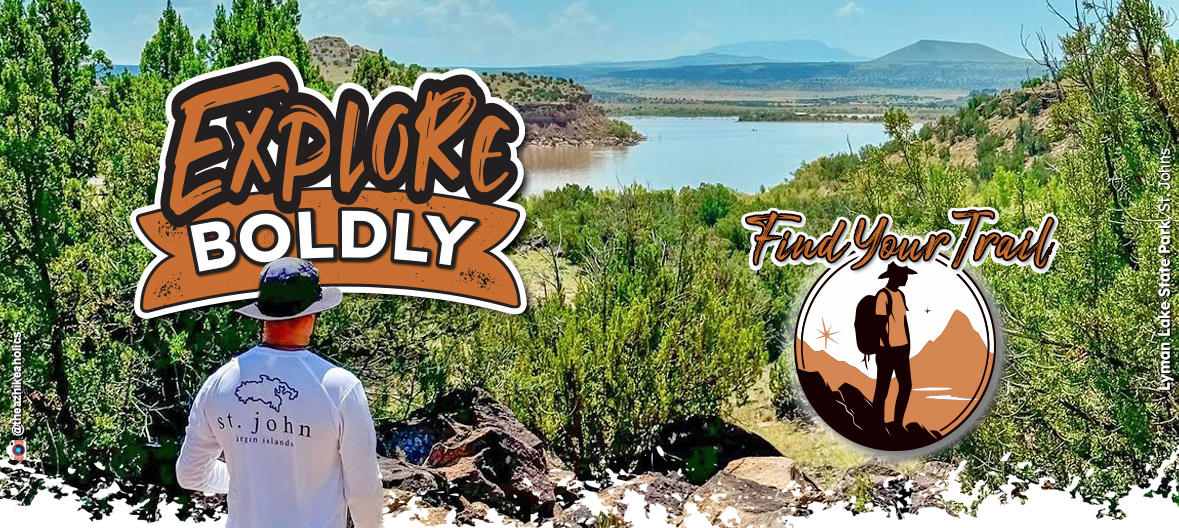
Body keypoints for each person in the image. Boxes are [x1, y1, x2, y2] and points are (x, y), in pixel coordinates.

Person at [176, 257, 382, 528]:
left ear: (263, 316)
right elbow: (364, 490)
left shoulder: (219, 383)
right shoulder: (340, 388)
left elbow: (189, 474)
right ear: (312, 315)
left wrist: (247, 483)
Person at [872, 262, 916, 429]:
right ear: (895, 276)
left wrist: (907, 345)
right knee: (883, 388)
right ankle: (877, 426)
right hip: (886, 351)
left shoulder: (900, 295)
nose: (906, 278)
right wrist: (888, 346)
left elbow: (903, 322)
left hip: (902, 349)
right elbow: (879, 325)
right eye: (904, 275)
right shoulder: (883, 295)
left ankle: (897, 424)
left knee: (906, 386)